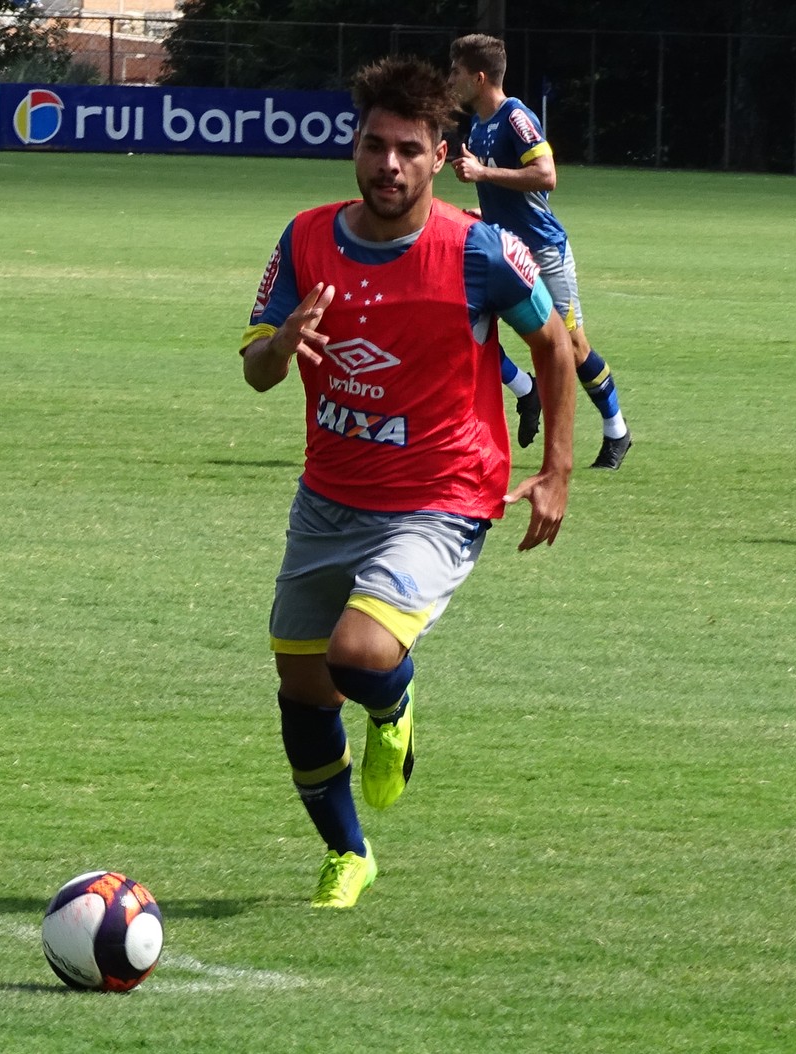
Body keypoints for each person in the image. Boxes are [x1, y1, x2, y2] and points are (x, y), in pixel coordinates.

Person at [239, 56, 575, 908]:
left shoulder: (478, 250)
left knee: (359, 656)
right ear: (356, 147)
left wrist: (557, 469)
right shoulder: (306, 237)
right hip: (329, 496)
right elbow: (255, 370)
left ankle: (394, 708)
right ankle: (348, 855)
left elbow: (553, 346)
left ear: (440, 156)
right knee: (300, 688)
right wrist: (281, 346)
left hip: (441, 494)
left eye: (409, 150)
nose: (389, 165)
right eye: (374, 146)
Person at [448, 33, 633, 470]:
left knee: (571, 346)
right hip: (502, 249)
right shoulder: (479, 123)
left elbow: (546, 175)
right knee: (466, 328)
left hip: (543, 251)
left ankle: (617, 431)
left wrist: (483, 176)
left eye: (456, 71)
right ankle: (524, 389)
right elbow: (513, 190)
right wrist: (483, 208)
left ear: (479, 76)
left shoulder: (515, 116)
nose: (450, 79)